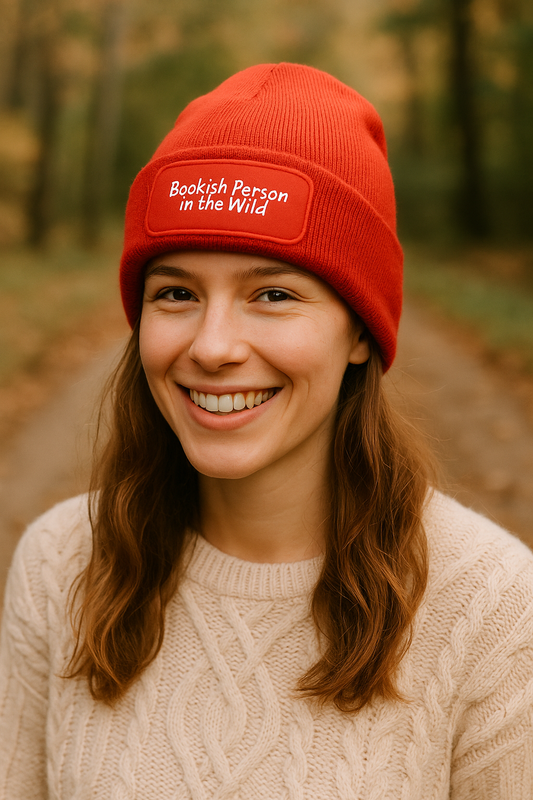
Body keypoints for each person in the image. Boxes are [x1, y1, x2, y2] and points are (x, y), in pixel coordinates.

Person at [1, 63, 532, 800]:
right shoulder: (59, 567)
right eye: (177, 292)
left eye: (273, 294)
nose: (213, 346)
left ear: (358, 333)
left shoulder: (491, 603)